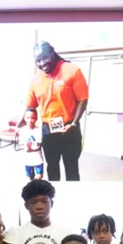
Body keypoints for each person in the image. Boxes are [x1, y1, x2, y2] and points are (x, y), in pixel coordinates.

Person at [22, 41, 89, 181]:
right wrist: (24, 127)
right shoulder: (35, 80)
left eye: (45, 58)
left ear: (53, 53)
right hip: (48, 131)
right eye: (38, 60)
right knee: (52, 168)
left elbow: (83, 99)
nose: (42, 63)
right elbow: (30, 107)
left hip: (70, 128)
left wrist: (74, 123)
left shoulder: (71, 70)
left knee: (71, 168)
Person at [18, 108, 44, 181]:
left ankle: (36, 184)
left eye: (32, 118)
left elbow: (39, 145)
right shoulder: (22, 130)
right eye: (27, 117)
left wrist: (31, 149)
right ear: (24, 118)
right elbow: (21, 144)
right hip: (27, 159)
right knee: (30, 176)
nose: (30, 120)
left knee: (40, 175)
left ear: (36, 118)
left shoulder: (39, 130)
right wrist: (24, 148)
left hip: (38, 159)